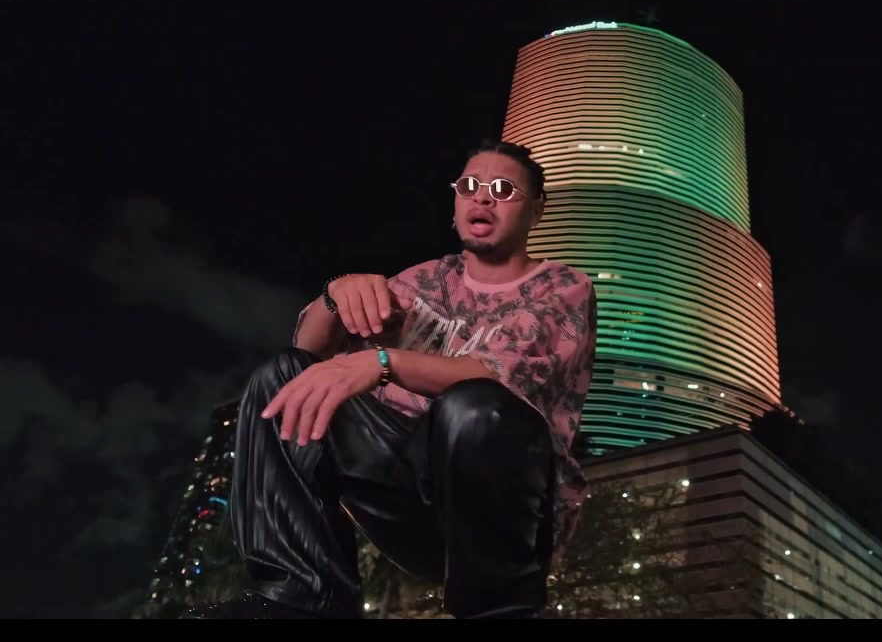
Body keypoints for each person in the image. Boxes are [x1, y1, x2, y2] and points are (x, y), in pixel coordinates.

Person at [183, 140, 597, 619]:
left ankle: (498, 609)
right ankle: (302, 598)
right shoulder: (427, 280)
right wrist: (336, 294)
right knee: (283, 376)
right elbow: (309, 352)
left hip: (504, 513)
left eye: (503, 190)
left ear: (536, 211)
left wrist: (383, 362)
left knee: (472, 406)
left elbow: (498, 374)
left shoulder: (562, 287)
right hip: (405, 493)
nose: (483, 197)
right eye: (469, 186)